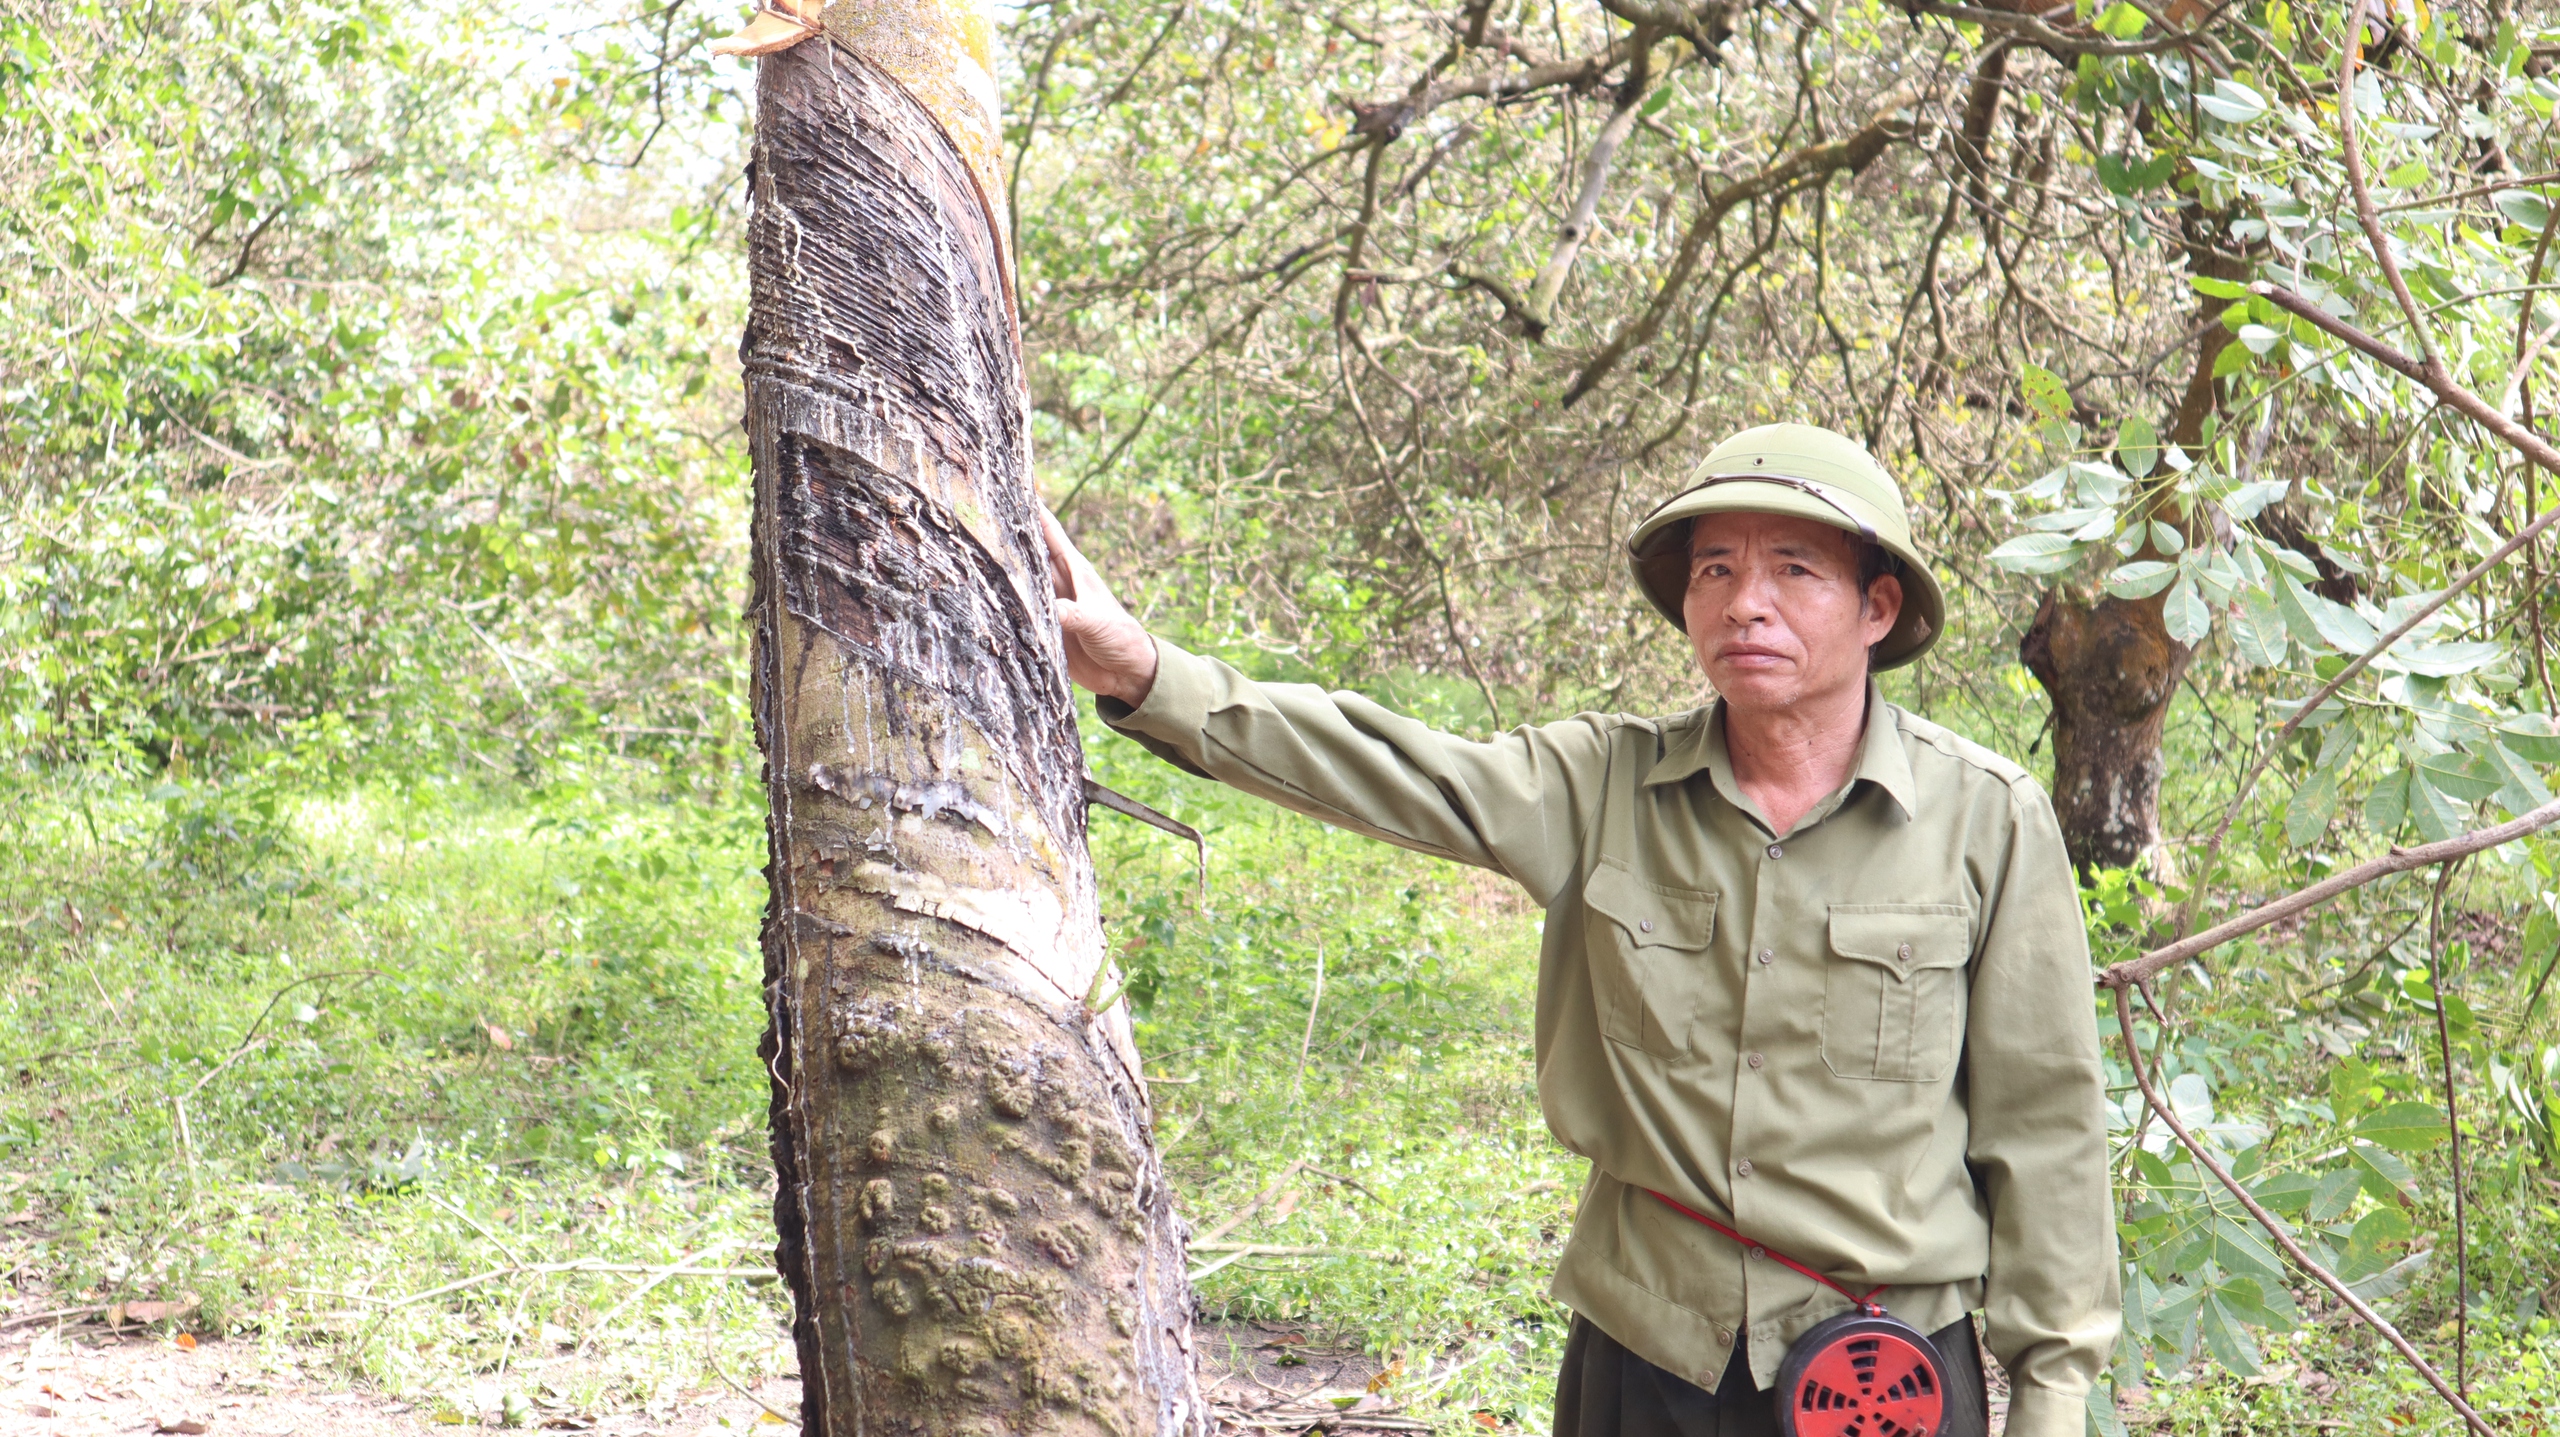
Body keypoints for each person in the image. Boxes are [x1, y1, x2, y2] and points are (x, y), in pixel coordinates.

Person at [1042, 424, 2116, 1437]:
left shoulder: (1984, 819)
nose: (1745, 604)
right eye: (1715, 570)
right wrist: (1146, 672)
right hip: (1648, 1346)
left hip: (1883, 1377)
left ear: (1877, 607)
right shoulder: (1604, 782)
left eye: (1793, 570)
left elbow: (2044, 1126)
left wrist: (2052, 1397)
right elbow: (1398, 769)